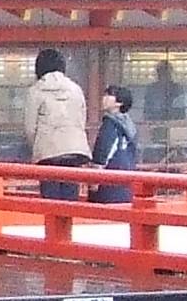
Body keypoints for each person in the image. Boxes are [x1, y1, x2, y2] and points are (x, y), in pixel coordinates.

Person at [25, 47, 91, 200]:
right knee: (70, 199)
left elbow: (30, 128)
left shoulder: (35, 91)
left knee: (50, 200)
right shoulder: (76, 89)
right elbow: (81, 120)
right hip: (75, 149)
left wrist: (37, 146)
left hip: (48, 152)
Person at [90, 84, 139, 205]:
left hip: (108, 180)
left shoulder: (111, 123)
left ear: (119, 102)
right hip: (126, 177)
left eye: (109, 95)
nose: (104, 98)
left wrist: (95, 178)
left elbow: (103, 151)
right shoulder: (129, 125)